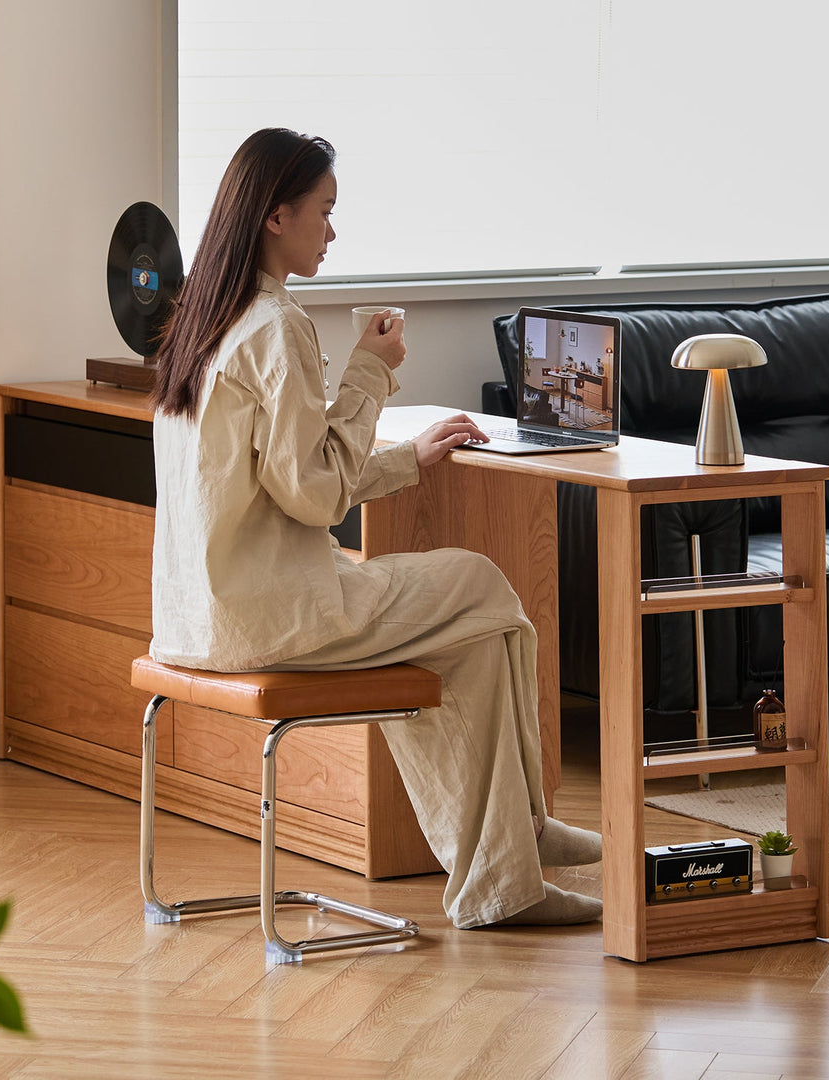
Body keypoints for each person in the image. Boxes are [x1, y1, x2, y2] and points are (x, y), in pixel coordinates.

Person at [148, 127, 601, 929]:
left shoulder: (201, 323)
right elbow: (316, 495)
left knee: (465, 640)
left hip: (196, 619)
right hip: (273, 616)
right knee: (485, 584)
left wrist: (408, 460)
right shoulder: (274, 326)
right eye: (324, 211)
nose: (333, 230)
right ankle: (515, 845)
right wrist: (368, 375)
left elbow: (283, 476)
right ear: (276, 217)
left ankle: (507, 869)